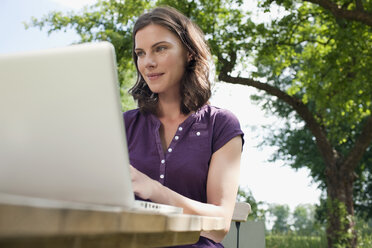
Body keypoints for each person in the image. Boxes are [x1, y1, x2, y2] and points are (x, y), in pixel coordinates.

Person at [123, 6, 244, 247]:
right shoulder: (123, 125)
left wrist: (153, 190)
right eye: (141, 53)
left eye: (160, 49)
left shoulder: (221, 125)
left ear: (189, 53)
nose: (148, 62)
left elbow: (219, 225)